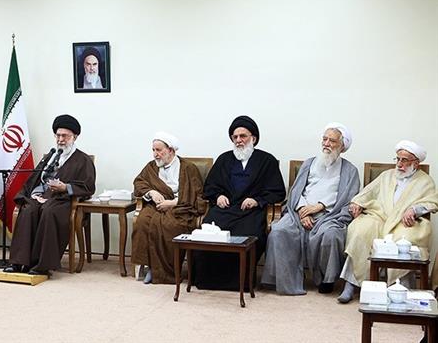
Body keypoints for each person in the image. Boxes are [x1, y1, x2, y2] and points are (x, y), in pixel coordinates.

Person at [261, 123, 360, 295]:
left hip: (330, 215)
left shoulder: (350, 171)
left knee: (331, 235)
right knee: (279, 231)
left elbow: (348, 200)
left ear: (342, 146)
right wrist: (302, 210)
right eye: (324, 139)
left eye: (332, 141)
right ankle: (283, 279)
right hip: (300, 212)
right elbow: (296, 191)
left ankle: (326, 280)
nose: (326, 144)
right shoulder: (309, 164)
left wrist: (319, 206)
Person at [338, 140, 438, 303]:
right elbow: (366, 193)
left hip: (405, 222)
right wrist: (356, 203)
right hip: (379, 217)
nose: (399, 164)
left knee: (403, 242)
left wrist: (415, 209)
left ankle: (400, 288)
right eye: (397, 159)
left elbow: (432, 202)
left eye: (404, 160)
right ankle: (351, 283)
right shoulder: (386, 175)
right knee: (360, 230)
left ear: (416, 163)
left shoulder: (425, 181)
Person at [192, 115, 286, 290]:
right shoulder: (224, 159)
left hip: (250, 212)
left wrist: (257, 200)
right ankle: (207, 281)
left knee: (249, 234)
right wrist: (218, 196)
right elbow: (210, 187)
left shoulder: (267, 161)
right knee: (210, 233)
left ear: (253, 138)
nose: (239, 140)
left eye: (243, 136)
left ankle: (241, 282)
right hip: (224, 210)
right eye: (235, 137)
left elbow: (278, 191)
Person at [5, 114, 96, 275]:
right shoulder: (50, 156)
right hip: (41, 197)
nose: (61, 139)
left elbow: (88, 186)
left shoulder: (83, 160)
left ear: (74, 137)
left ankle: (42, 265)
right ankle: (19, 262)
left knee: (49, 211)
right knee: (27, 210)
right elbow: (35, 179)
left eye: (65, 136)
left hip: (62, 200)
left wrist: (65, 187)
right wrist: (35, 194)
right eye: (58, 135)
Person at [132, 132, 207, 284]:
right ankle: (151, 267)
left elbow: (196, 195)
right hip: (155, 206)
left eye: (159, 150)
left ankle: (165, 271)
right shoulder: (151, 167)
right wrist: (151, 192)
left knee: (170, 226)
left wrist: (173, 203)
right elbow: (139, 183)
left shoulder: (188, 168)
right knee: (142, 222)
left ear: (171, 150)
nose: (155, 154)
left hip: (180, 208)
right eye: (153, 150)